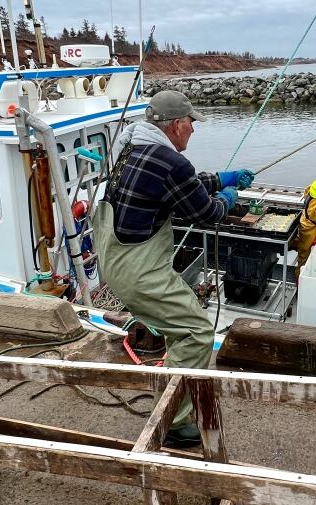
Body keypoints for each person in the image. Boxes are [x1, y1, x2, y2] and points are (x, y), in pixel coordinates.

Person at [92, 90, 254, 447]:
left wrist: (224, 178)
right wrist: (228, 199)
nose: (194, 130)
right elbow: (205, 212)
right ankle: (177, 425)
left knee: (182, 330)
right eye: (192, 123)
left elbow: (182, 187)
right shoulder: (167, 161)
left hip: (116, 260)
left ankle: (172, 396)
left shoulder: (133, 146)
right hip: (138, 269)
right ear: (177, 124)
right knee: (196, 332)